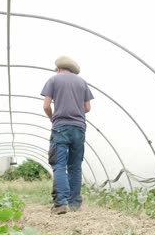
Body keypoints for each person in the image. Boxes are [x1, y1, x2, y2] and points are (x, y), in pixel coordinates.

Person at [41, 56, 94, 215]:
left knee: (59, 164)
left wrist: (54, 117)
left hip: (61, 127)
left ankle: (60, 204)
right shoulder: (82, 82)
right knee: (75, 166)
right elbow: (87, 107)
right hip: (79, 128)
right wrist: (75, 111)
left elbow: (45, 106)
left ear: (58, 69)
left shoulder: (53, 80)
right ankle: (75, 203)